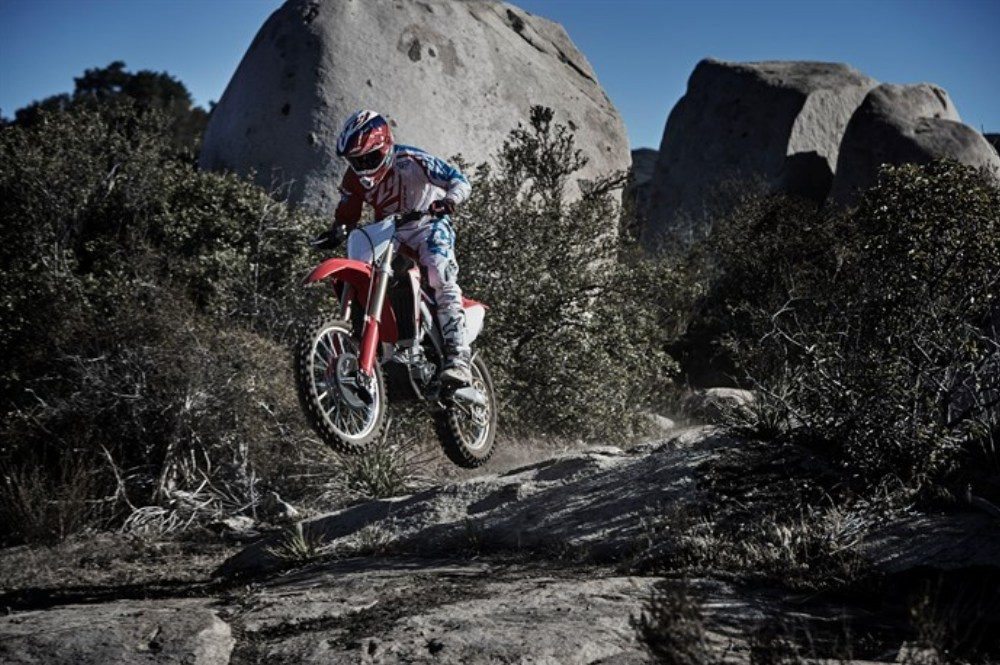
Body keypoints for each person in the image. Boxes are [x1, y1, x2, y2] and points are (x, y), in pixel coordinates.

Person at [316, 109, 472, 387]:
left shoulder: (410, 159)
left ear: (386, 145)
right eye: (356, 160)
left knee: (439, 275)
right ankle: (375, 346)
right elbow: (348, 212)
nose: (363, 165)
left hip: (428, 224)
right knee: (367, 271)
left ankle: (458, 358)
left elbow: (458, 179)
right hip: (392, 231)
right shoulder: (353, 179)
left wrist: (450, 200)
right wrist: (337, 231)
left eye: (369, 157)